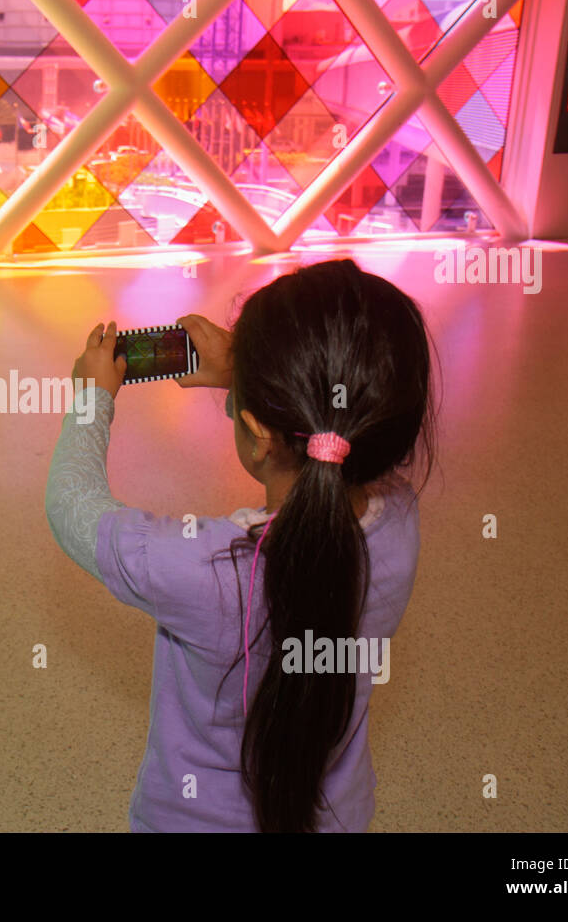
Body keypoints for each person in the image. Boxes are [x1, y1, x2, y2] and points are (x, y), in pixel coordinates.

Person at [45, 258, 437, 832]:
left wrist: (91, 401)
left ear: (257, 438)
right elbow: (345, 427)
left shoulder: (200, 568)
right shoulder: (400, 520)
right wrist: (258, 374)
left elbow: (72, 506)